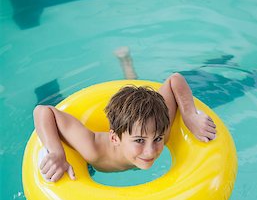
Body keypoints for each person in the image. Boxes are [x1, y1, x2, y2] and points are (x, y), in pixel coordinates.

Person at [34, 61, 217, 182]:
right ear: (114, 138)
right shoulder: (93, 150)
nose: (151, 151)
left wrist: (190, 114)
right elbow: (42, 111)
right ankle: (125, 63)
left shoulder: (159, 128)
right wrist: (56, 152)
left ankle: (127, 64)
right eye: (139, 140)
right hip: (89, 162)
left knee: (137, 93)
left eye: (158, 139)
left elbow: (174, 80)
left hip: (132, 122)